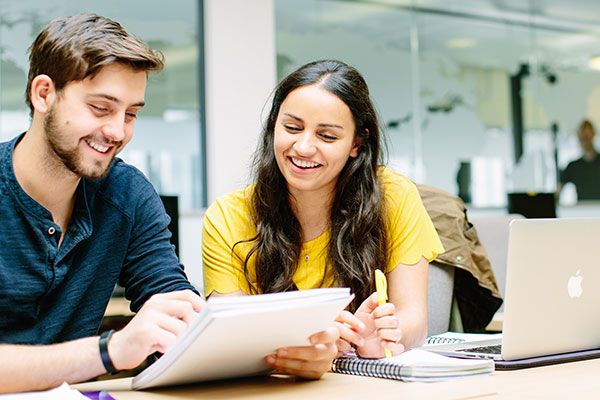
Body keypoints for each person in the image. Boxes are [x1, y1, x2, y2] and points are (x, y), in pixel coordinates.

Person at [0, 14, 329, 393]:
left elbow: (177, 310)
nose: (117, 131)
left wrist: (288, 352)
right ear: (43, 94)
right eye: (101, 108)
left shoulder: (126, 194)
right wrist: (110, 351)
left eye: (131, 113)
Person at [202, 60, 445, 371]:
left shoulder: (394, 195)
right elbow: (229, 341)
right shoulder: (227, 217)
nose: (303, 147)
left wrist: (385, 335)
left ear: (357, 144)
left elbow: (414, 319)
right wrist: (306, 348)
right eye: (291, 128)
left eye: (327, 136)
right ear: (273, 126)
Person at [558, 120, 600, 200]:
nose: (585, 141)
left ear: (593, 135)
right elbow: (558, 192)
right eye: (582, 137)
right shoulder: (573, 166)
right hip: (581, 211)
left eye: (587, 137)